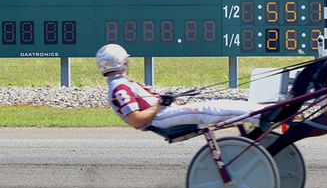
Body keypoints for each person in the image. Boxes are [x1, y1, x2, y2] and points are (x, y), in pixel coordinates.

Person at [96, 44, 265, 131]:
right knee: (209, 109)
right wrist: (161, 103)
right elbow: (136, 121)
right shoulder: (119, 88)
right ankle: (262, 116)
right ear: (121, 61)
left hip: (162, 114)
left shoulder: (119, 85)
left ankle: (261, 112)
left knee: (218, 104)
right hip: (160, 118)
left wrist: (162, 102)